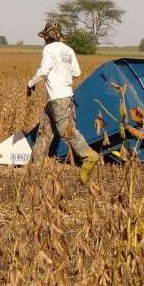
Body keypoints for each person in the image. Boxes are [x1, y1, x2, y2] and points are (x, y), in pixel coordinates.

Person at [28, 21, 100, 183]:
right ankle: (36, 164)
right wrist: (63, 75)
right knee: (44, 131)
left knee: (66, 131)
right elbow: (76, 71)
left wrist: (30, 83)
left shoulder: (49, 49)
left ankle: (88, 155)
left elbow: (44, 69)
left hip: (58, 97)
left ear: (47, 37)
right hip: (64, 96)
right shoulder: (68, 50)